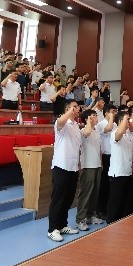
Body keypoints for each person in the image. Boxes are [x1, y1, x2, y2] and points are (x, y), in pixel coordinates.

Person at [47, 101, 82, 242]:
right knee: (58, 198)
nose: (78, 109)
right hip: (61, 166)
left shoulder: (76, 126)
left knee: (68, 198)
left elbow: (77, 147)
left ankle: (62, 225)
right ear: (68, 109)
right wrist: (69, 112)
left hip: (73, 166)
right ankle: (52, 229)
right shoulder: (62, 123)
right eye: (75, 107)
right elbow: (60, 121)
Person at [75, 108, 105, 231]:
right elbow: (87, 132)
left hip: (97, 165)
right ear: (88, 118)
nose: (97, 117)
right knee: (85, 193)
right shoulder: (83, 130)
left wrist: (101, 163)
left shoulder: (96, 131)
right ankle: (80, 219)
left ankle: (90, 215)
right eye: (94, 115)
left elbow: (99, 149)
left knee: (95, 192)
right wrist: (88, 121)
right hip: (87, 166)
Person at [107, 110, 133, 223]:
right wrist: (124, 118)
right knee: (115, 200)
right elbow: (119, 132)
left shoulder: (127, 135)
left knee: (124, 200)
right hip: (117, 172)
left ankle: (121, 221)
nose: (129, 122)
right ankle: (111, 221)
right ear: (121, 121)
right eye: (127, 119)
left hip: (126, 171)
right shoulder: (115, 133)